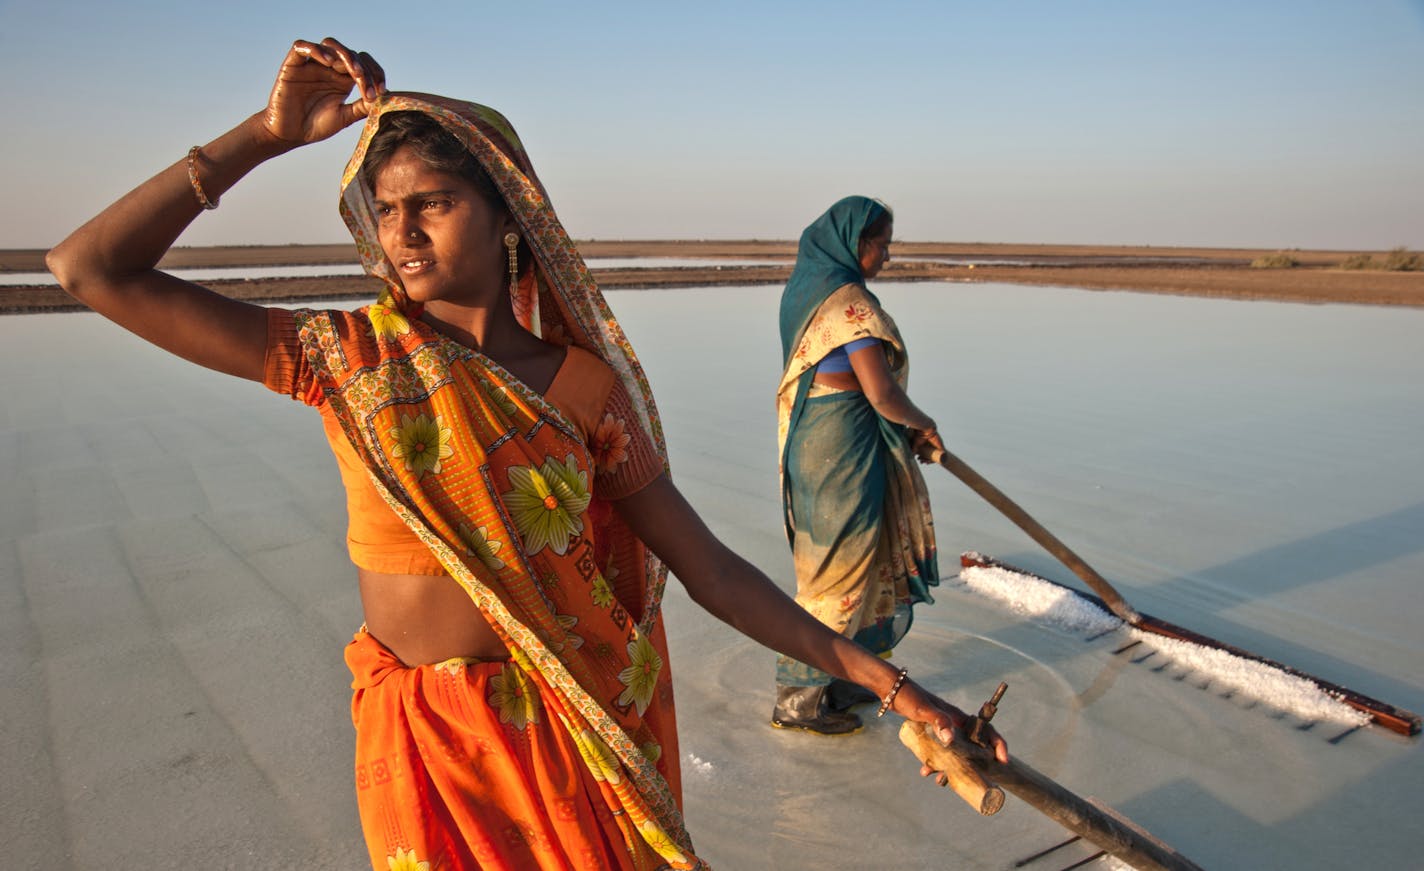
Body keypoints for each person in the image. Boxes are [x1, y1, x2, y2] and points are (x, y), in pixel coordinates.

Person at [47, 38, 1005, 871]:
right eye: (385, 209)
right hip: (424, 741)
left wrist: (895, 685)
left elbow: (709, 567)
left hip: (569, 730)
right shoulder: (346, 356)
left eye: (437, 200)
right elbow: (88, 269)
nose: (404, 231)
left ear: (508, 211)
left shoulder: (583, 389)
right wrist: (265, 135)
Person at [772, 196, 945, 735]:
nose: (887, 255)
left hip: (817, 443)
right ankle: (797, 700)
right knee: (836, 573)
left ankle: (844, 679)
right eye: (881, 244)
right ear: (854, 244)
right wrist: (923, 423)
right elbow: (882, 393)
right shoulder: (849, 307)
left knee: (854, 566)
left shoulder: (806, 292)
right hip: (840, 454)